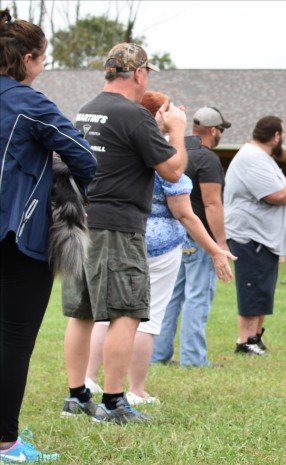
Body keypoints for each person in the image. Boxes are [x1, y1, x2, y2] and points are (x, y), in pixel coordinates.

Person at [60, 42, 187, 425]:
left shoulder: (89, 109)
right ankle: (114, 403)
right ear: (139, 74)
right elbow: (173, 171)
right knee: (127, 312)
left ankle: (78, 396)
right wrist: (176, 132)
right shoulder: (134, 115)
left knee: (81, 312)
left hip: (81, 220)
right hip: (118, 226)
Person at [85, 92, 234, 405]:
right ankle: (136, 390)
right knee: (145, 320)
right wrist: (215, 249)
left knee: (105, 315)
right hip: (159, 245)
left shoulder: (119, 145)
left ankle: (89, 379)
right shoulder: (163, 154)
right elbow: (184, 212)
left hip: (116, 234)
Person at [0, 9, 97, 463]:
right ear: (29, 58)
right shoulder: (27, 102)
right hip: (16, 235)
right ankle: (5, 443)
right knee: (14, 338)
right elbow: (84, 157)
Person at [153, 106, 232, 367]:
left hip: (175, 236)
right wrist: (219, 244)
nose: (220, 134)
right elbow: (212, 204)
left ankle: (159, 355)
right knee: (198, 296)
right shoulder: (207, 159)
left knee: (171, 298)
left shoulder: (174, 151)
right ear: (212, 130)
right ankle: (193, 359)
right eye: (220, 130)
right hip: (200, 238)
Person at [224, 115, 286, 355]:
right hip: (251, 235)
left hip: (263, 237)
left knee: (262, 289)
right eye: (283, 134)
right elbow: (274, 195)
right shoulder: (252, 157)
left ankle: (255, 338)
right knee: (252, 287)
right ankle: (245, 341)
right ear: (276, 135)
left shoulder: (262, 157)